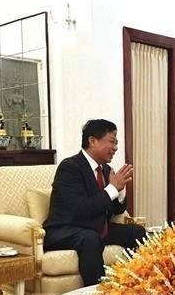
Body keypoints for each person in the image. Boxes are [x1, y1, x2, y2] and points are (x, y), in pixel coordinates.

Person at [43, 119, 146, 285]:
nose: (115, 148)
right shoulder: (70, 167)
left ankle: (138, 288)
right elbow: (80, 208)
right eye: (111, 142)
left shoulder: (105, 169)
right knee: (90, 239)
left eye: (116, 142)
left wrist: (120, 191)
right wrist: (112, 188)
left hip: (95, 228)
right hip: (65, 229)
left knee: (137, 232)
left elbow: (115, 210)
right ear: (92, 141)